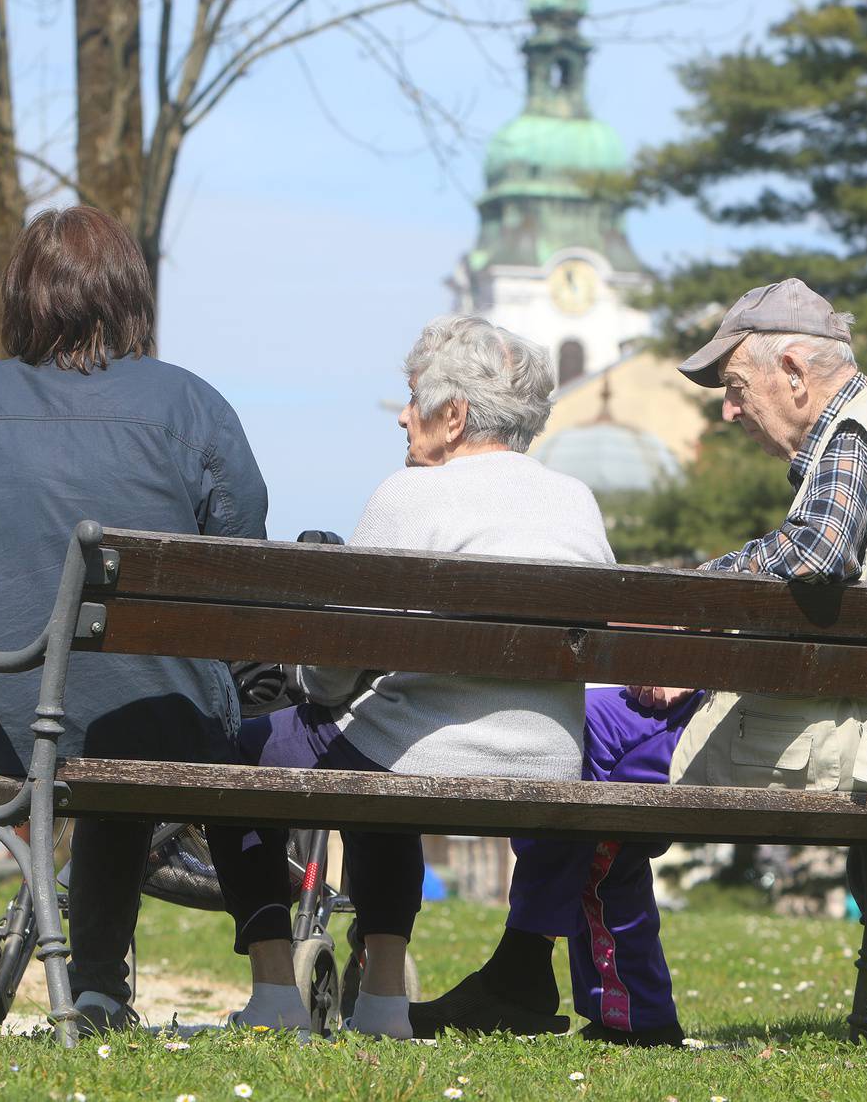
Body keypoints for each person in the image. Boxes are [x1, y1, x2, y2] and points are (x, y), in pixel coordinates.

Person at [411, 277, 867, 1045]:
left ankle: (552, 985)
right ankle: (560, 987)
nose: (728, 409)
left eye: (735, 386)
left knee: (571, 743)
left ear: (794, 368)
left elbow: (812, 557)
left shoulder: (858, 437)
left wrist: (686, 612)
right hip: (858, 711)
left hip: (853, 733)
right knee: (582, 734)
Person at [0, 206, 268, 1031]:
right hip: (147, 730)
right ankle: (99, 984)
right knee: (124, 716)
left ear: (22, 297)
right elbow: (244, 561)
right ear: (128, 294)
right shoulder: (191, 406)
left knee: (97, 716)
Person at [207, 315, 611, 1039]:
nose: (402, 413)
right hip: (552, 760)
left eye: (413, 395)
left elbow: (332, 675)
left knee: (249, 753)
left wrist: (309, 680)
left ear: (453, 415)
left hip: (416, 751)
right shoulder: (575, 500)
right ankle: (383, 999)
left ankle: (274, 991)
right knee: (378, 741)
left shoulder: (411, 494)